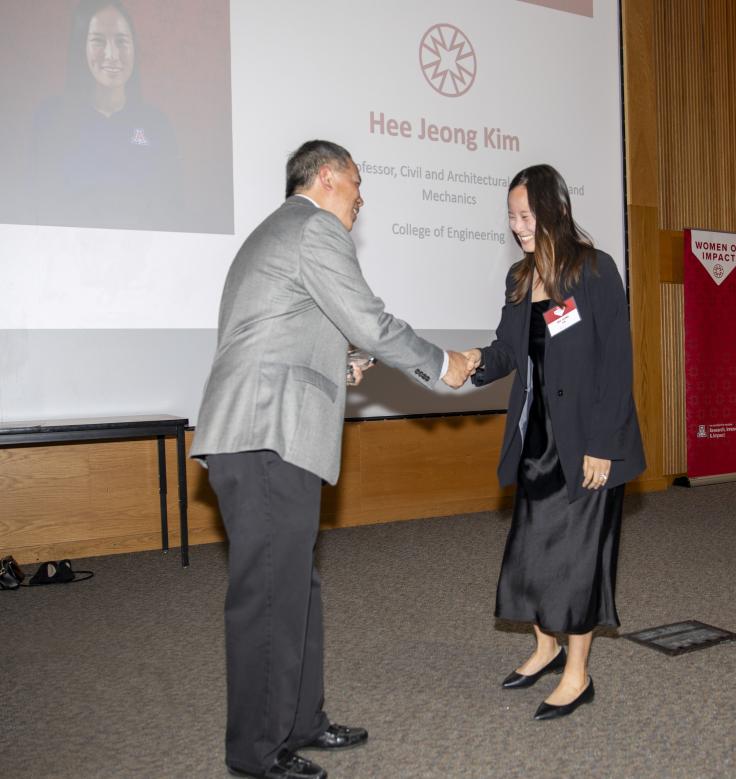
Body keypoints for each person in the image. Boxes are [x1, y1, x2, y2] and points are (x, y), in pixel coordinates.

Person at [191, 140, 472, 779]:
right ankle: (256, 756)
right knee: (268, 595)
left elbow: (276, 330)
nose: (361, 199)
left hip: (268, 431)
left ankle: (299, 722)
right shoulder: (314, 228)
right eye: (357, 184)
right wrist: (440, 362)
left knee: (295, 589)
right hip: (267, 434)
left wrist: (337, 361)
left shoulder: (276, 234)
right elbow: (368, 320)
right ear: (326, 178)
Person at [463, 164, 645, 721]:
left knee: (577, 561)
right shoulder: (522, 279)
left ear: (556, 211)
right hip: (537, 440)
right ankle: (545, 647)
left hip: (587, 443)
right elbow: (506, 352)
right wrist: (467, 364)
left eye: (527, 215)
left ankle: (577, 673)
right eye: (513, 217)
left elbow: (616, 364)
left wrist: (603, 445)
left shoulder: (594, 271)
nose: (518, 226)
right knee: (533, 553)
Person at [31, 0, 182, 231]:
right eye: (98, 42)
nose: (112, 55)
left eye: (121, 42)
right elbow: (41, 207)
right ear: (80, 47)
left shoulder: (156, 126)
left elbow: (171, 211)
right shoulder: (50, 121)